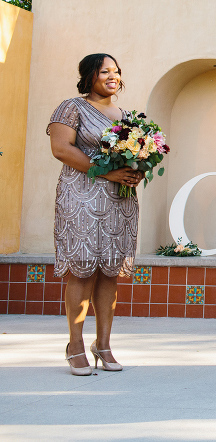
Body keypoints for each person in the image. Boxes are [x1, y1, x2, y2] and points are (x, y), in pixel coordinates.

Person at [47, 54, 143, 376]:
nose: (112, 76)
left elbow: (136, 152)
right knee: (83, 269)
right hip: (81, 196)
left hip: (119, 199)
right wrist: (108, 173)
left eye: (116, 71)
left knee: (109, 271)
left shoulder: (126, 115)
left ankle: (103, 344)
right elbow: (61, 149)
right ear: (90, 76)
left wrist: (136, 170)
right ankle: (75, 345)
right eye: (105, 71)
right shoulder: (70, 107)